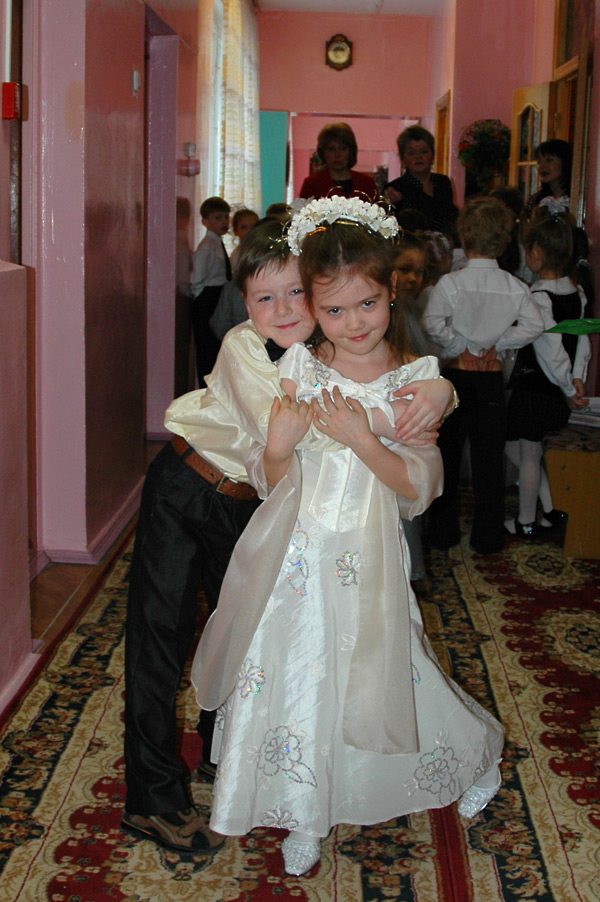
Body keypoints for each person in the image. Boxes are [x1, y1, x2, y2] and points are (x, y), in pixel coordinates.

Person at [191, 197, 504, 878]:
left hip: (367, 553)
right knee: (292, 668)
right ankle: (305, 809)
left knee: (392, 671)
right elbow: (273, 479)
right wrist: (278, 448)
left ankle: (478, 750)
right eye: (334, 310)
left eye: (368, 304)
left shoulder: (416, 380)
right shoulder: (300, 366)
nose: (354, 323)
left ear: (392, 291)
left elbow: (420, 487)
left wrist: (366, 439)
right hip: (296, 551)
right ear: (314, 306)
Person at [122, 218, 454, 858]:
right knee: (159, 639)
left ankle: (223, 753)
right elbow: (316, 432)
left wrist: (438, 389)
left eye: (297, 293)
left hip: (257, 506)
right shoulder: (244, 349)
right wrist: (421, 407)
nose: (283, 310)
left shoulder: (326, 348)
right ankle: (152, 797)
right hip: (188, 490)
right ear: (243, 304)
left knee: (246, 632)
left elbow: (377, 376)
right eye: (263, 298)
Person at [422, 196, 545, 554]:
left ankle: (443, 533)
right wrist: (496, 343)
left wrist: (462, 346)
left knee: (447, 456)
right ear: (505, 242)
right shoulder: (515, 286)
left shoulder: (451, 284)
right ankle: (488, 537)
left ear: (464, 237)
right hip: (491, 378)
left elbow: (431, 323)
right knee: (489, 462)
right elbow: (534, 326)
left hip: (457, 377)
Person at [504, 207, 590, 537]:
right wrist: (577, 377)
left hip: (538, 387)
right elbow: (582, 338)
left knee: (527, 453)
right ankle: (551, 511)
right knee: (519, 447)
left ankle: (526, 521)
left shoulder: (539, 296)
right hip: (555, 386)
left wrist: (569, 386)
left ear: (537, 253)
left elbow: (550, 350)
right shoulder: (577, 293)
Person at [190, 196, 232, 386]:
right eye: (218, 218)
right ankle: (205, 387)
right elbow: (197, 278)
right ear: (205, 222)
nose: (224, 222)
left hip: (217, 295)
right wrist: (202, 297)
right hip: (209, 298)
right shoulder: (207, 247)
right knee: (207, 346)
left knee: (215, 346)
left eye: (226, 217)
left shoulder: (217, 244)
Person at [385, 125, 458, 232]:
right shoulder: (395, 188)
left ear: (432, 155)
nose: (418, 157)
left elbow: (451, 217)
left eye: (424, 151)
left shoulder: (443, 182)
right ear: (403, 158)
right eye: (412, 153)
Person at [299, 122, 378, 201]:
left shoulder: (367, 183)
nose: (337, 154)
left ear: (351, 151)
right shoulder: (312, 184)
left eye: (343, 148)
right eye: (331, 149)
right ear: (323, 152)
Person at [525, 139, 572, 219]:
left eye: (549, 160)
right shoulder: (535, 201)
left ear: (565, 162)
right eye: (539, 162)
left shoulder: (576, 198)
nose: (542, 166)